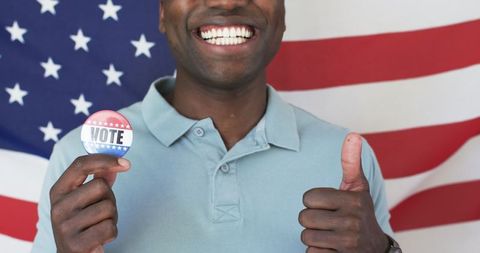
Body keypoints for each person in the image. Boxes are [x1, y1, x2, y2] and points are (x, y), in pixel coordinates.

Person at [32, 0, 401, 252]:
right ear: (163, 12)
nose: (226, 2)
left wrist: (382, 251)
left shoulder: (346, 158)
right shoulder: (81, 157)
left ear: (284, 13)